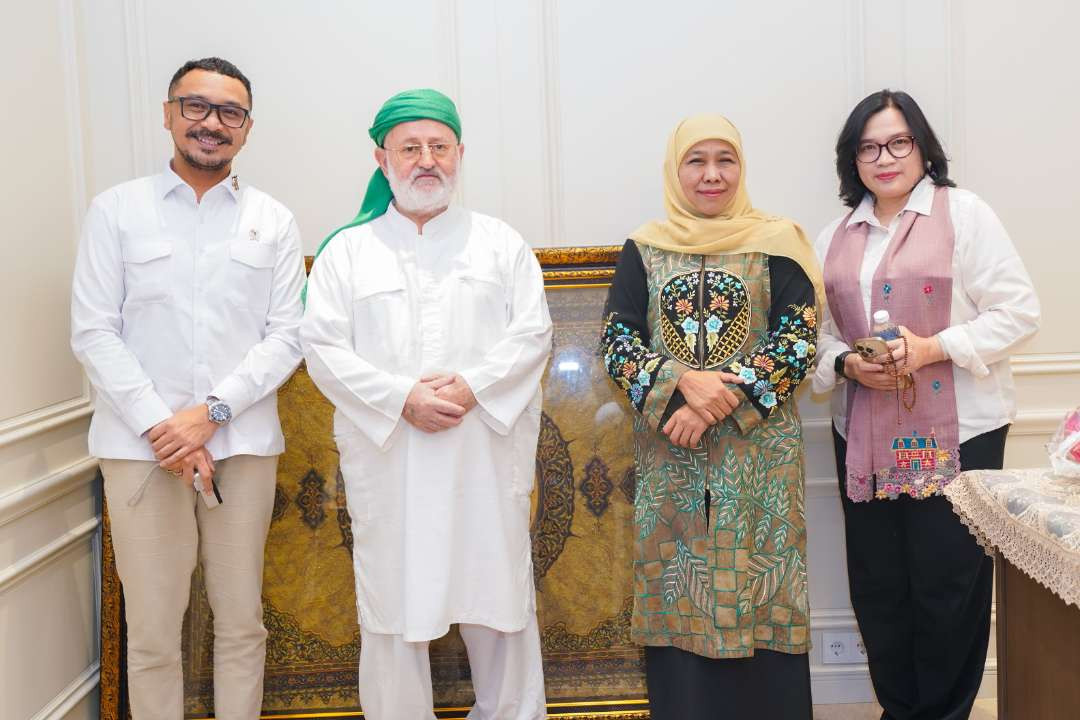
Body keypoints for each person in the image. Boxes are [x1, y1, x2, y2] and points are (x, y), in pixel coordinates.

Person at [300, 88, 552, 720]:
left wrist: (470, 389)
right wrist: (401, 399)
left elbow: (533, 334)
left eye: (439, 146)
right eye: (410, 148)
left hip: (482, 456)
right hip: (395, 461)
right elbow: (322, 348)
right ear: (382, 159)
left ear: (460, 154)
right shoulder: (345, 254)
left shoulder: (501, 243)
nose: (426, 160)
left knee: (498, 598)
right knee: (393, 604)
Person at [70, 57, 305, 719]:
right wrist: (164, 427)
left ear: (247, 129)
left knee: (241, 623)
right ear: (169, 114)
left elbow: (286, 336)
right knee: (150, 635)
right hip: (138, 450)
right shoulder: (115, 211)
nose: (211, 123)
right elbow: (94, 331)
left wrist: (209, 415)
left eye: (228, 112)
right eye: (196, 106)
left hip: (242, 446)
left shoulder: (273, 220)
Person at [813, 89, 1040, 720]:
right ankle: (899, 710)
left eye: (897, 142)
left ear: (922, 146)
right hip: (863, 434)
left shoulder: (964, 214)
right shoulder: (835, 233)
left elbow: (1019, 313)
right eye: (868, 147)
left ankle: (943, 713)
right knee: (880, 586)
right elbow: (820, 335)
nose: (884, 158)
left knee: (947, 585)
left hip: (960, 435)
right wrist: (846, 363)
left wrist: (933, 348)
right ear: (851, 159)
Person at [600, 114, 822, 719]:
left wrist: (712, 404)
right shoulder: (644, 247)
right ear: (676, 170)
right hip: (670, 456)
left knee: (761, 581)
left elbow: (798, 339)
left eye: (725, 159)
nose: (712, 174)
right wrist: (679, 390)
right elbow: (618, 340)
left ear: (741, 168)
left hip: (759, 463)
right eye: (696, 161)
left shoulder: (778, 241)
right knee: (680, 587)